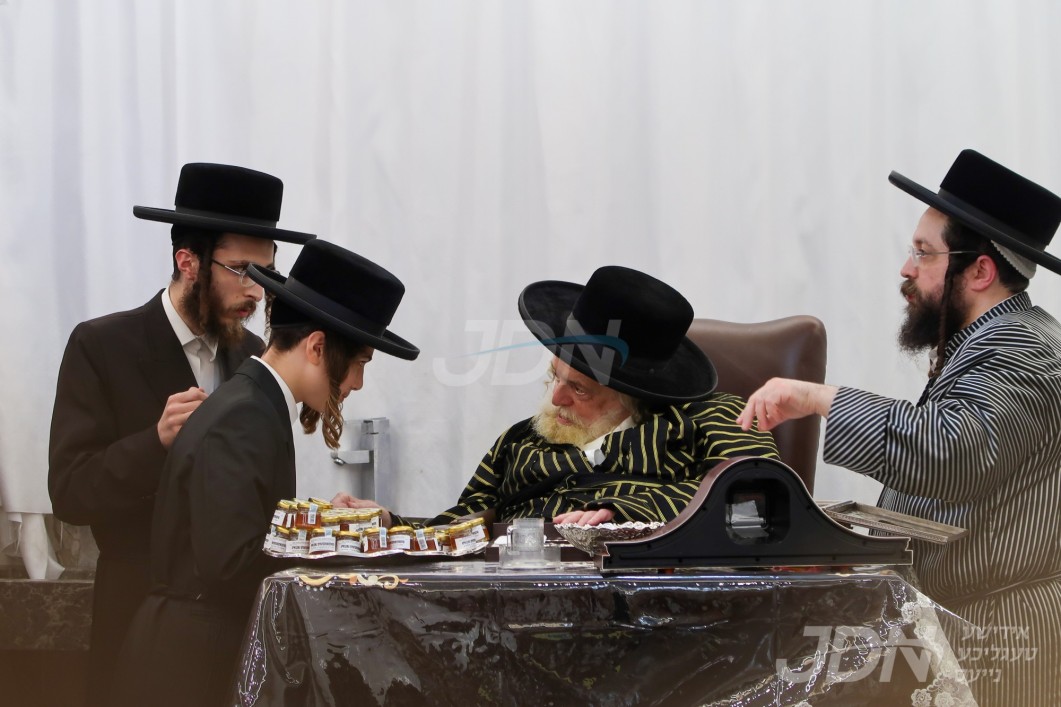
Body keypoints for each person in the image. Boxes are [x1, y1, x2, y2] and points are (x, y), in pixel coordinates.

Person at [736, 150, 1061, 706]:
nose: (907, 269)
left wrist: (817, 398)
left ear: (980, 271)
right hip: (952, 625)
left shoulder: (1021, 348)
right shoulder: (992, 339)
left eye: (923, 253)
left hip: (998, 644)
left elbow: (951, 454)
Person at [47, 162, 314, 706]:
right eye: (241, 270)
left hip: (235, 629)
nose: (256, 292)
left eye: (266, 274)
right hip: (137, 617)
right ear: (187, 262)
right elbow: (70, 492)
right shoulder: (102, 346)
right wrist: (155, 442)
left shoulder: (254, 357)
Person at [111, 239, 419, 707]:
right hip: (189, 667)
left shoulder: (257, 403)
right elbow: (232, 564)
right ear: (317, 346)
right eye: (359, 364)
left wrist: (322, 523)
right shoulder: (244, 413)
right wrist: (342, 539)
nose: (357, 383)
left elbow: (242, 534)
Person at [340, 265, 778, 529]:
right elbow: (465, 525)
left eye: (579, 388)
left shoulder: (715, 417)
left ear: (637, 395)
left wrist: (627, 511)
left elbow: (759, 497)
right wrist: (391, 524)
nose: (557, 399)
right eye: (554, 376)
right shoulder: (520, 440)